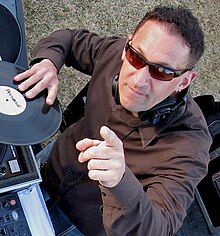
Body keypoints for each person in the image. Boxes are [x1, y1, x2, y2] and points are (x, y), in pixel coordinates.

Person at [14, 6, 212, 236]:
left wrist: (120, 181)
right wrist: (48, 61)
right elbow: (69, 39)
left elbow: (159, 228)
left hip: (80, 225)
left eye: (162, 71)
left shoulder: (190, 147)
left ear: (184, 81)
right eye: (136, 57)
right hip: (51, 165)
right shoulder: (122, 52)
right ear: (128, 46)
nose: (139, 80)